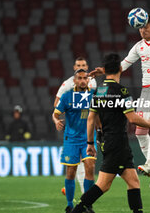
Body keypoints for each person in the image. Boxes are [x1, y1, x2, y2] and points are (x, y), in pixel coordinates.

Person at [90, 14, 150, 188]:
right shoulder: (138, 47)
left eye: (146, 27)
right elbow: (124, 64)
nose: (143, 30)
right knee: (139, 132)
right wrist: (105, 71)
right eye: (140, 28)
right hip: (146, 90)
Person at [71, 53, 150, 213]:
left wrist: (90, 144)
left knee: (133, 182)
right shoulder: (121, 91)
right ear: (121, 69)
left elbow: (90, 119)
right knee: (103, 185)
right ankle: (78, 210)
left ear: (105, 69)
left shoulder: (100, 91)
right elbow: (132, 118)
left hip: (106, 140)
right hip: (118, 144)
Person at [52, 69, 96, 213]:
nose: (83, 80)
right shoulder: (67, 96)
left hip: (88, 139)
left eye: (85, 78)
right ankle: (70, 205)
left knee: (90, 167)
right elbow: (55, 113)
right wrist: (56, 121)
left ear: (88, 80)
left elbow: (100, 116)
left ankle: (86, 204)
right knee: (71, 172)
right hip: (71, 139)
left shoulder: (93, 95)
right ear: (75, 81)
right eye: (80, 78)